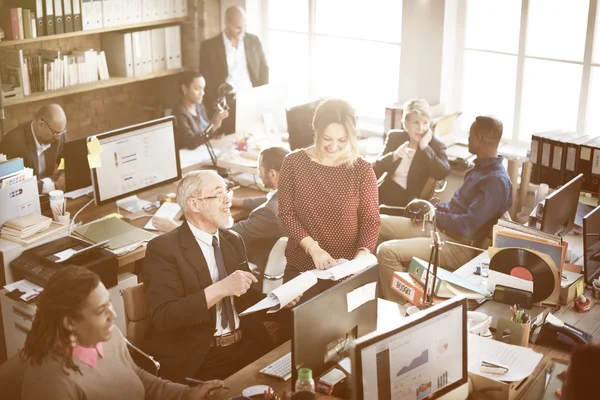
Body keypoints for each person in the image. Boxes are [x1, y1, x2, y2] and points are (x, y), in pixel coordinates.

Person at [142, 170, 283, 383]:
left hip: (245, 345)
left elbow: (244, 297)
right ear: (194, 205)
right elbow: (164, 316)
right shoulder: (162, 249)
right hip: (201, 357)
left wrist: (279, 299)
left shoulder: (232, 239)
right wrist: (221, 288)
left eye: (226, 191)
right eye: (218, 194)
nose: (227, 200)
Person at [17, 266, 224, 400]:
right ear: (70, 322)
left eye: (109, 304)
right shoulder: (51, 383)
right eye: (101, 311)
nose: (113, 315)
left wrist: (186, 394)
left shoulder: (110, 336)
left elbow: (137, 377)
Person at [377, 116, 512, 300]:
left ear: (478, 138)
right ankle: (372, 292)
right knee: (376, 223)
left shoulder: (495, 181)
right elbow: (458, 209)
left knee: (386, 252)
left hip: (458, 246)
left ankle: (400, 310)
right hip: (440, 230)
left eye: (470, 136)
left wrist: (434, 215)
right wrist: (434, 210)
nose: (468, 140)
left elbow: (467, 226)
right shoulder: (479, 169)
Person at [278, 98, 380, 300]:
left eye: (342, 140)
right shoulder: (293, 163)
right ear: (316, 129)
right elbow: (286, 214)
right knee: (294, 329)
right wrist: (314, 249)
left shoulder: (362, 170)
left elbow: (371, 220)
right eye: (327, 138)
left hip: (347, 271)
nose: (333, 146)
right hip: (303, 267)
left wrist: (360, 259)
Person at [152, 147, 289, 276]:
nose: (258, 173)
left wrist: (175, 228)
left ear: (272, 174)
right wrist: (234, 201)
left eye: (260, 169)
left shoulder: (269, 214)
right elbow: (270, 199)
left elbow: (226, 237)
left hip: (252, 267)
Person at [199, 5, 268, 134]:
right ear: (227, 23)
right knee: (229, 144)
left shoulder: (253, 41)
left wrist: (263, 96)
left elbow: (264, 69)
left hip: (251, 99)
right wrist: (215, 108)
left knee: (253, 139)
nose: (242, 31)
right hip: (226, 104)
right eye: (237, 27)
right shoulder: (209, 47)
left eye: (244, 26)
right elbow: (206, 81)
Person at [374, 98, 450, 207]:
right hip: (385, 192)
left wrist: (425, 147)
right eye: (416, 123)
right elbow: (378, 166)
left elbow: (442, 172)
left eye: (425, 123)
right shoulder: (395, 137)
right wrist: (395, 155)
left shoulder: (435, 145)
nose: (421, 128)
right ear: (406, 123)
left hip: (408, 201)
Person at [0, 103, 66, 193]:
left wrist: (51, 181)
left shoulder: (58, 136)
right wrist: (51, 185)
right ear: (41, 124)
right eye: (55, 133)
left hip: (49, 195)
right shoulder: (12, 142)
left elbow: (67, 164)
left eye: (61, 133)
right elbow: (12, 186)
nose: (58, 138)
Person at [172, 70, 229, 150]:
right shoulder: (179, 114)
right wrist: (214, 127)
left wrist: (215, 134)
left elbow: (204, 130)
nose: (202, 93)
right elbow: (191, 143)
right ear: (184, 89)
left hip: (204, 151)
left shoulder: (200, 107)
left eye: (203, 89)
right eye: (197, 89)